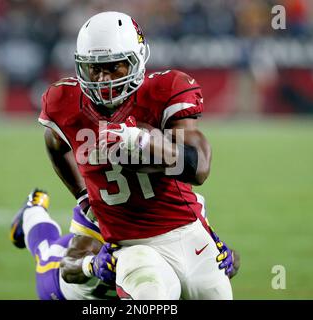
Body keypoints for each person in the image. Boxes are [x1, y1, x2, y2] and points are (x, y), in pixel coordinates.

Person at [38, 11, 237, 299]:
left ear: (137, 59)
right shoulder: (64, 103)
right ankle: (33, 219)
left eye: (114, 66)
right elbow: (54, 143)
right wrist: (82, 196)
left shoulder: (164, 91)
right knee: (148, 294)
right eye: (95, 68)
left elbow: (198, 168)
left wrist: (145, 141)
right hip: (128, 242)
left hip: (183, 233)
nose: (103, 79)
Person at [10, 189, 239, 300]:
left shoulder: (186, 203)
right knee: (46, 252)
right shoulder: (102, 203)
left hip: (142, 297)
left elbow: (206, 256)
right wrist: (92, 265)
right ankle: (33, 210)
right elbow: (69, 267)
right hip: (80, 295)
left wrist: (228, 259)